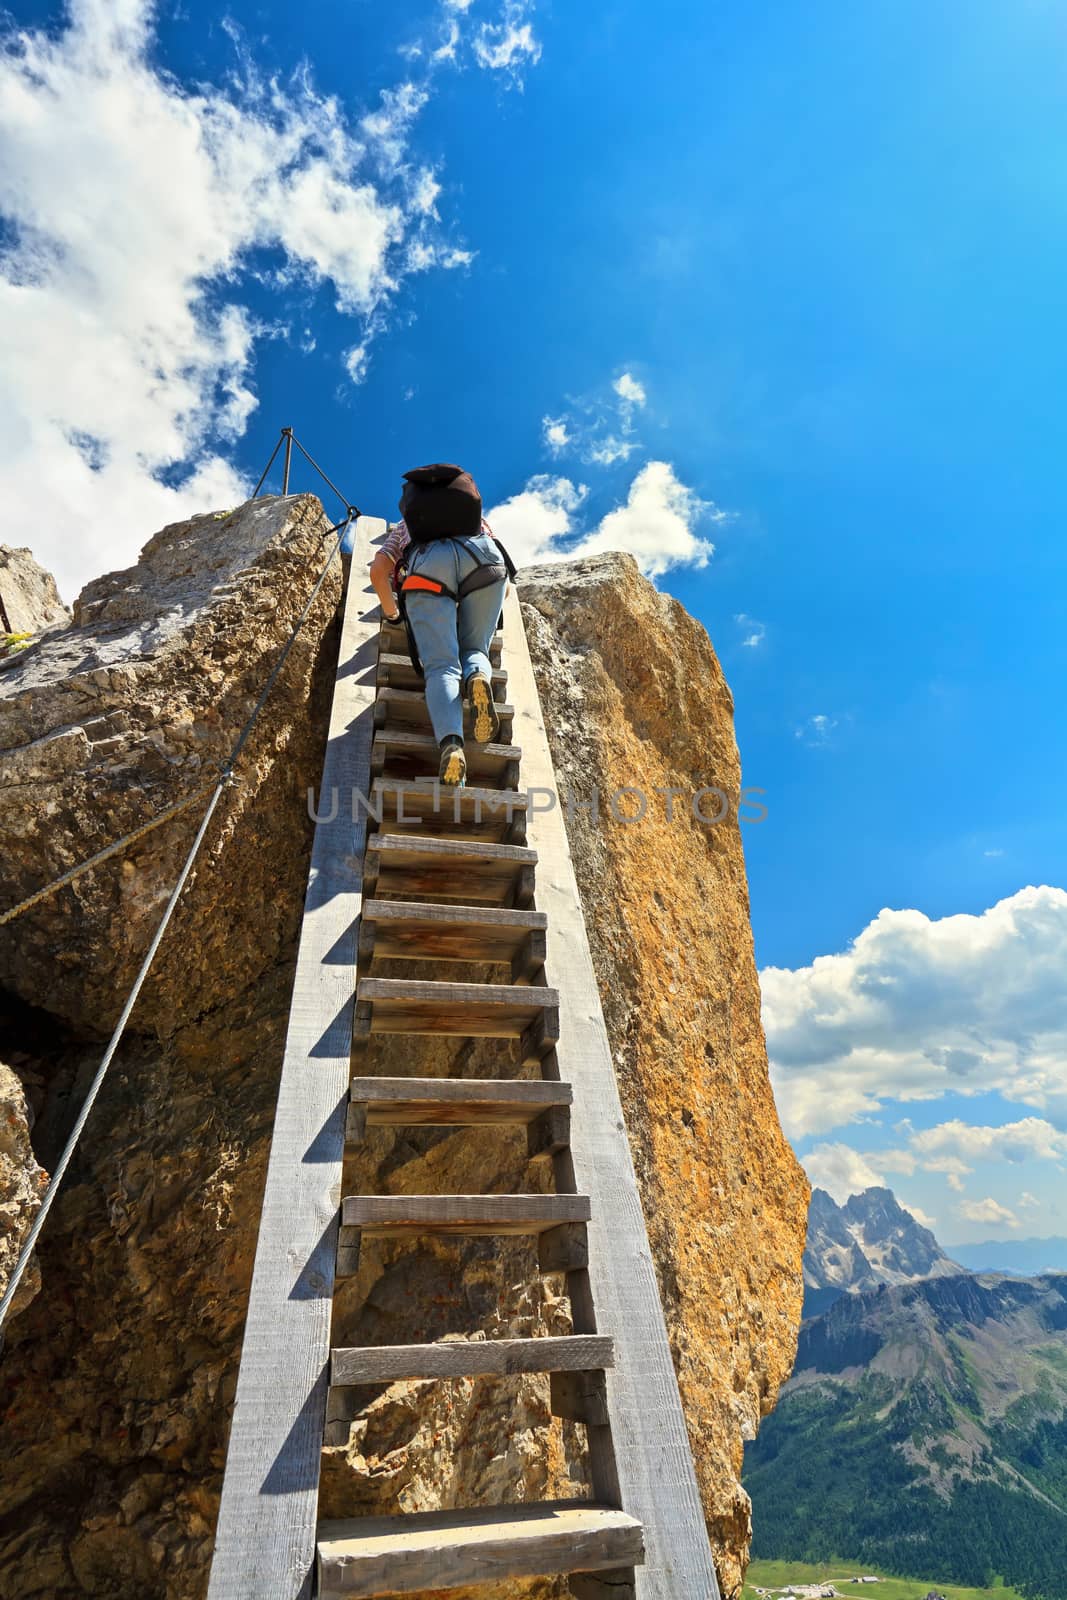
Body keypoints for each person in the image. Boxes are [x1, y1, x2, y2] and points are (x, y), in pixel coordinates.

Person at [369, 464, 511, 787]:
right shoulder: (478, 521)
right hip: (485, 560)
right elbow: (498, 561)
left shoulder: (405, 527)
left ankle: (452, 746)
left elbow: (378, 572)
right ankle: (476, 676)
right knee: (475, 648)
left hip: (427, 569)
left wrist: (393, 615)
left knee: (442, 667)